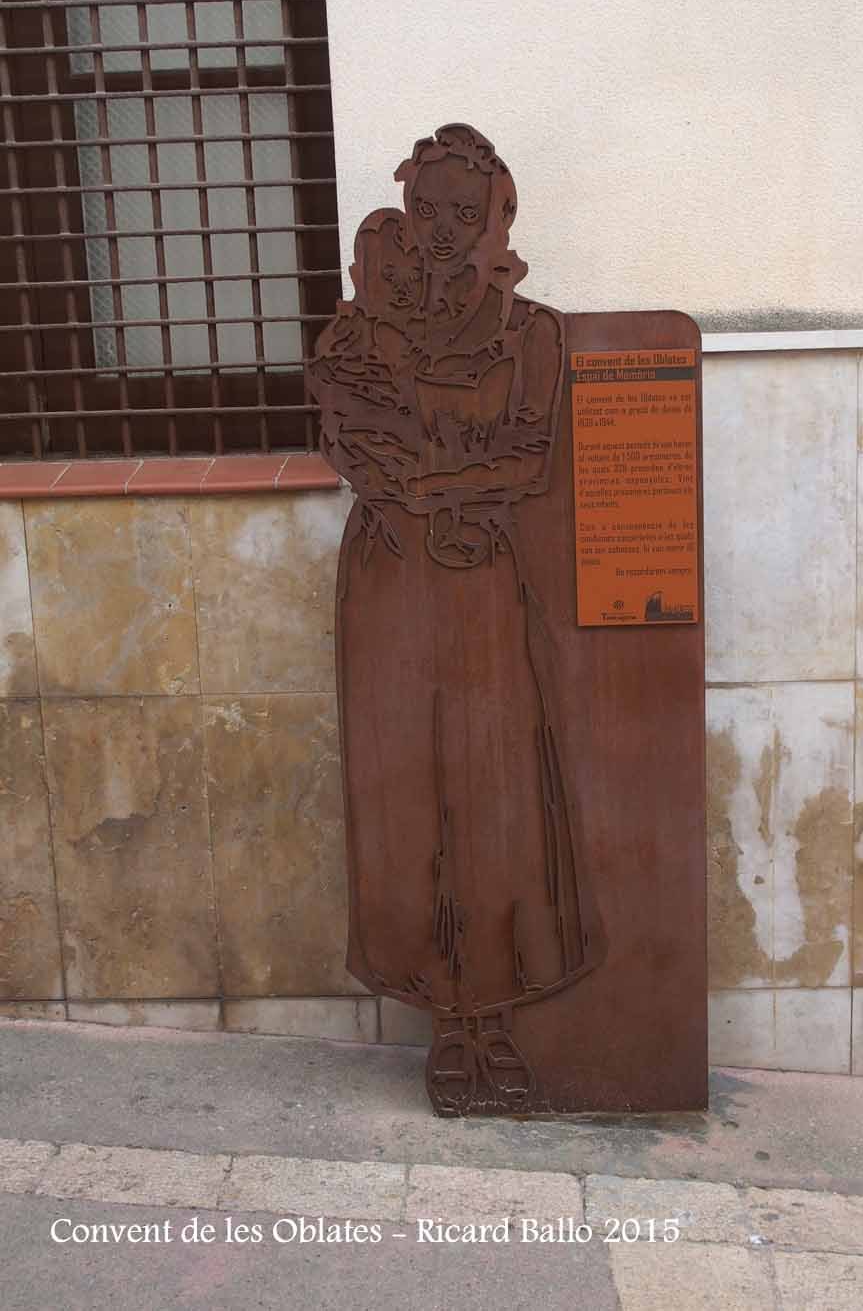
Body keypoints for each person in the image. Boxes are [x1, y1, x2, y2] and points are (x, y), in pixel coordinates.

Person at [308, 125, 606, 1115]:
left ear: (498, 222)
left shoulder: (534, 334)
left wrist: (426, 476)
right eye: (425, 210)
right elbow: (359, 453)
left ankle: (492, 1012)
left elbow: (528, 461)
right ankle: (442, 1018)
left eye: (463, 215)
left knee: (495, 794)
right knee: (408, 797)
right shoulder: (358, 332)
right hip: (392, 585)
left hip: (479, 590)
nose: (441, 234)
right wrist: (443, 484)